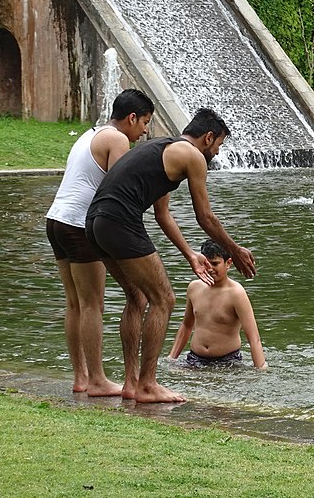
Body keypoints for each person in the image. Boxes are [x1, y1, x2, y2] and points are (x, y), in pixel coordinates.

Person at [85, 107, 256, 403]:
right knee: (164, 299)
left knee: (137, 297)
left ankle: (131, 383)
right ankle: (148, 384)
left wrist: (190, 253)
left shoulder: (160, 149)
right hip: (120, 220)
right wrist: (234, 250)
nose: (216, 153)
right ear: (208, 137)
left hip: (95, 222)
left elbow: (162, 215)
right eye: (218, 146)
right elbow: (205, 217)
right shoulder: (192, 156)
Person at [46, 88, 154, 396]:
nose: (145, 131)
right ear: (131, 118)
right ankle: (96, 379)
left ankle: (81, 377)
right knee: (93, 303)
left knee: (75, 303)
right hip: (79, 224)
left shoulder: (90, 134)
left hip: (56, 220)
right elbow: (120, 190)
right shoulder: (117, 139)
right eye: (145, 122)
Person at [169, 239, 267, 369]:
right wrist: (172, 358)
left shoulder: (236, 294)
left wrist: (260, 369)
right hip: (194, 359)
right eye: (206, 264)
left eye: (215, 264)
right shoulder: (194, 287)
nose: (210, 269)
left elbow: (254, 338)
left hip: (228, 362)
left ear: (228, 263)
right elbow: (187, 325)